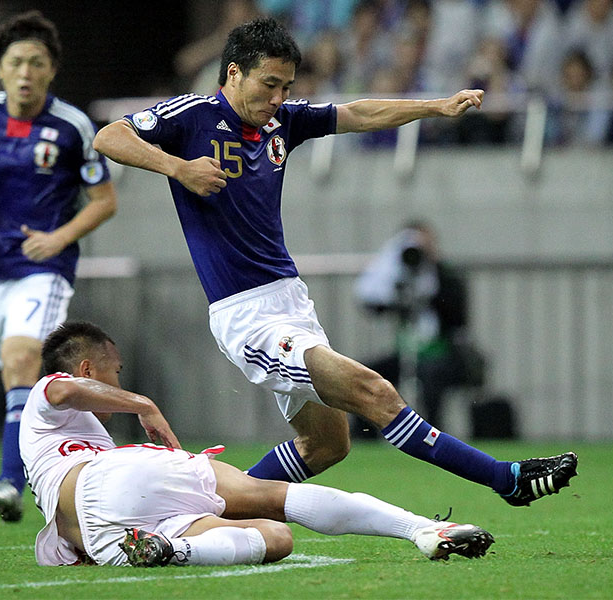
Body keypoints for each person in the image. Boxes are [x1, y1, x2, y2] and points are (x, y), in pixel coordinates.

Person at [93, 17, 577, 508]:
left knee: (327, 444)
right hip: (248, 315)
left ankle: (212, 505)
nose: (278, 98)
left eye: (285, 87)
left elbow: (359, 114)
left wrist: (434, 106)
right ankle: (504, 478)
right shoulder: (194, 115)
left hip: (291, 303)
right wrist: (178, 167)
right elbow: (110, 136)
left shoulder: (283, 122)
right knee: (376, 392)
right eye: (269, 84)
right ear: (234, 73)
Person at [22, 321, 494, 566]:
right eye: (115, 371)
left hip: (108, 537)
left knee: (275, 538)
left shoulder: (62, 442)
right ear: (88, 370)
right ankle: (419, 529)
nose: (117, 380)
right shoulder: (47, 396)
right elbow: (61, 389)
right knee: (269, 496)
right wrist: (143, 404)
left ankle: (174, 551)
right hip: (110, 478)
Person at [0, 10, 117, 525]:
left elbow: (104, 200)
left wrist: (58, 237)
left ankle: (11, 483)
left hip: (43, 267)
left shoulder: (71, 125)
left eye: (37, 62)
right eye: (17, 62)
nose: (26, 72)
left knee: (19, 360)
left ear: (51, 70)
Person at [354, 222, 486, 433]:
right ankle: (365, 436)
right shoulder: (397, 274)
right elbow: (372, 303)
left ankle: (433, 435)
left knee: (430, 377)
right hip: (406, 354)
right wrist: (392, 269)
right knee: (365, 376)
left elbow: (457, 315)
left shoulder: (445, 276)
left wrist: (432, 272)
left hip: (444, 353)